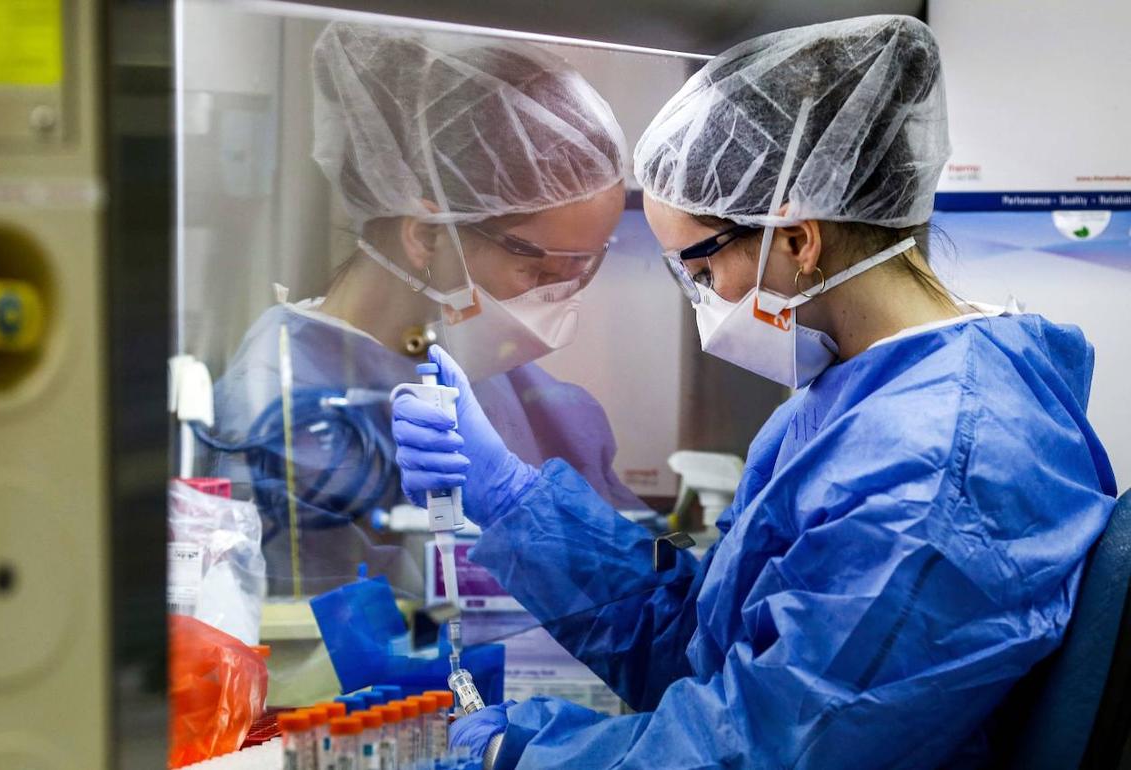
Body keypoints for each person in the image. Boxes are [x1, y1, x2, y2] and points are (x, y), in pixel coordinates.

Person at [392, 15, 1118, 769]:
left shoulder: (934, 470)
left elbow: (772, 748)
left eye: (702, 275)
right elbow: (700, 643)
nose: (702, 301)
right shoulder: (850, 401)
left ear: (799, 240)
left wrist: (527, 753)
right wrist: (509, 497)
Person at [201, 22, 641, 600]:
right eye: (537, 271)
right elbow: (314, 641)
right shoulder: (281, 414)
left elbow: (638, 579)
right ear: (426, 238)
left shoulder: (506, 386)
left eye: (582, 270)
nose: (557, 302)